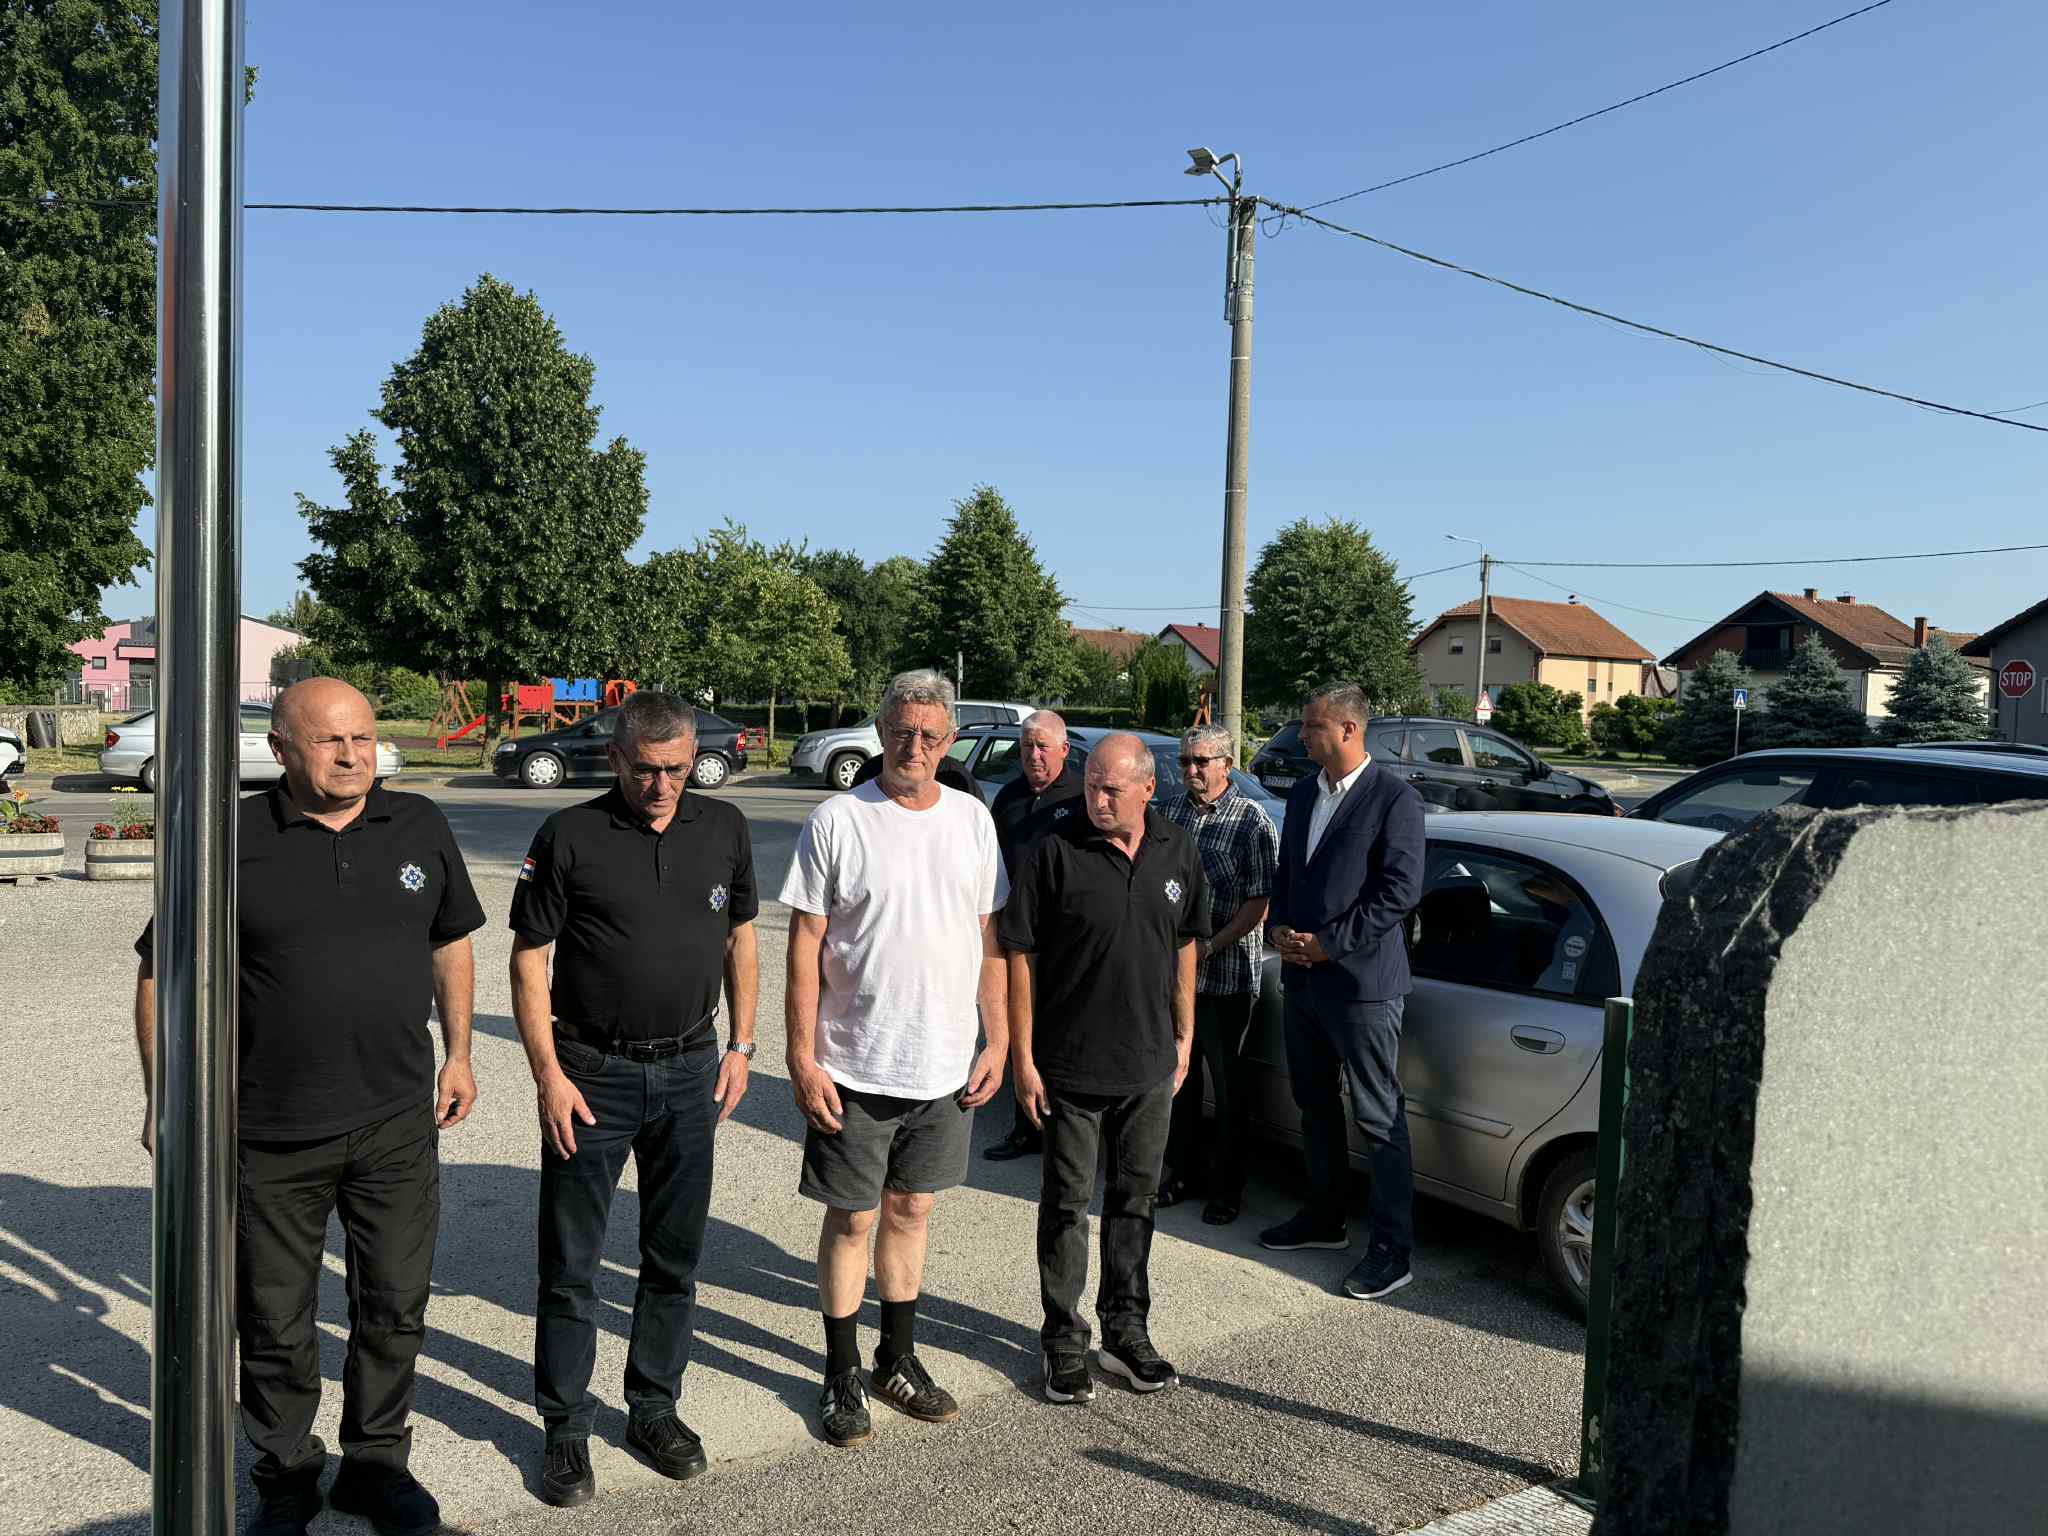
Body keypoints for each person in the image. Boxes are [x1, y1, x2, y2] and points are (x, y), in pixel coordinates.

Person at [131, 678, 484, 1536]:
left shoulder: (418, 824)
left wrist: (461, 1053)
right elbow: (160, 975)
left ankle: (375, 1465)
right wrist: (164, 1098)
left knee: (394, 1305)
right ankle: (286, 1474)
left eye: (363, 737)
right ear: (281, 748)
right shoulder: (230, 838)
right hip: (270, 1129)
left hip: (396, 1120)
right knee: (275, 1321)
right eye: (330, 741)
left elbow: (450, 942)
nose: (353, 756)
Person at [509, 691, 759, 1507]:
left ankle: (653, 1408)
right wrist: (548, 1074)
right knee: (571, 1265)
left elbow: (740, 938)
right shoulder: (569, 834)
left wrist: (742, 1046)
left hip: (690, 1071)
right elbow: (529, 958)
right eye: (646, 770)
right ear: (615, 758)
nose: (662, 786)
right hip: (592, 1075)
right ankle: (565, 1427)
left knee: (673, 1260)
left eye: (677, 770)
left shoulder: (725, 828)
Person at [780, 669, 1009, 1447]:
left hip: (943, 1065)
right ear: (881, 733)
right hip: (853, 1063)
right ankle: (841, 1369)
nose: (915, 747)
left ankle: (895, 1359)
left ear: (950, 742)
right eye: (902, 732)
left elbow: (989, 939)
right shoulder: (839, 820)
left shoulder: (973, 821)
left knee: (912, 1210)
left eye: (930, 736)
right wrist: (801, 1055)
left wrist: (998, 1038)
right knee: (852, 1218)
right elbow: (804, 944)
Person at [1001, 733, 1208, 1404]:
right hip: (1070, 1067)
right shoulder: (1054, 851)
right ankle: (1063, 1341)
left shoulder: (1177, 850)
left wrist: (1185, 1034)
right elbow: (1020, 955)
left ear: (1148, 788)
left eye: (1111, 789)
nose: (1097, 799)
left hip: (1149, 1066)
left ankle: (1125, 1332)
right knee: (1066, 1206)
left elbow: (1185, 943)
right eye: (1091, 785)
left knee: (1134, 1202)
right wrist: (1023, 1057)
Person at [1259, 682, 1425, 1301]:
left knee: (1379, 1117)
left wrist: (1331, 944)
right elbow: (1289, 872)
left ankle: (1392, 1250)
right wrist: (1279, 926)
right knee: (1315, 1102)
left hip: (1362, 987)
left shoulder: (1395, 798)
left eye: (1312, 726)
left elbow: (1399, 892)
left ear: (1349, 730)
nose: (1302, 736)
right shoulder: (1306, 792)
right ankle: (1325, 1218)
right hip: (1303, 978)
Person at [1159, 723, 1278, 1225]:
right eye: (1185, 761)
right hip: (1177, 977)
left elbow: (1259, 903)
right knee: (1179, 1079)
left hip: (1226, 975)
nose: (1191, 770)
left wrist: (1209, 946)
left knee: (1229, 1090)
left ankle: (1227, 1190)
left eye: (1201, 762)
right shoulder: (1169, 812)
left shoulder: (1252, 821)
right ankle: (1180, 1173)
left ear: (1227, 765)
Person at [982, 709, 1083, 1163]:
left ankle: (1063, 1131)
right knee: (1018, 1031)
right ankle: (1025, 1127)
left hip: (1063, 939)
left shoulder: (1081, 797)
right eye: (1027, 747)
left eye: (1043, 747)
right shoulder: (1009, 796)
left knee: (1059, 1035)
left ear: (1064, 749)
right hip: (1014, 935)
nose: (1034, 755)